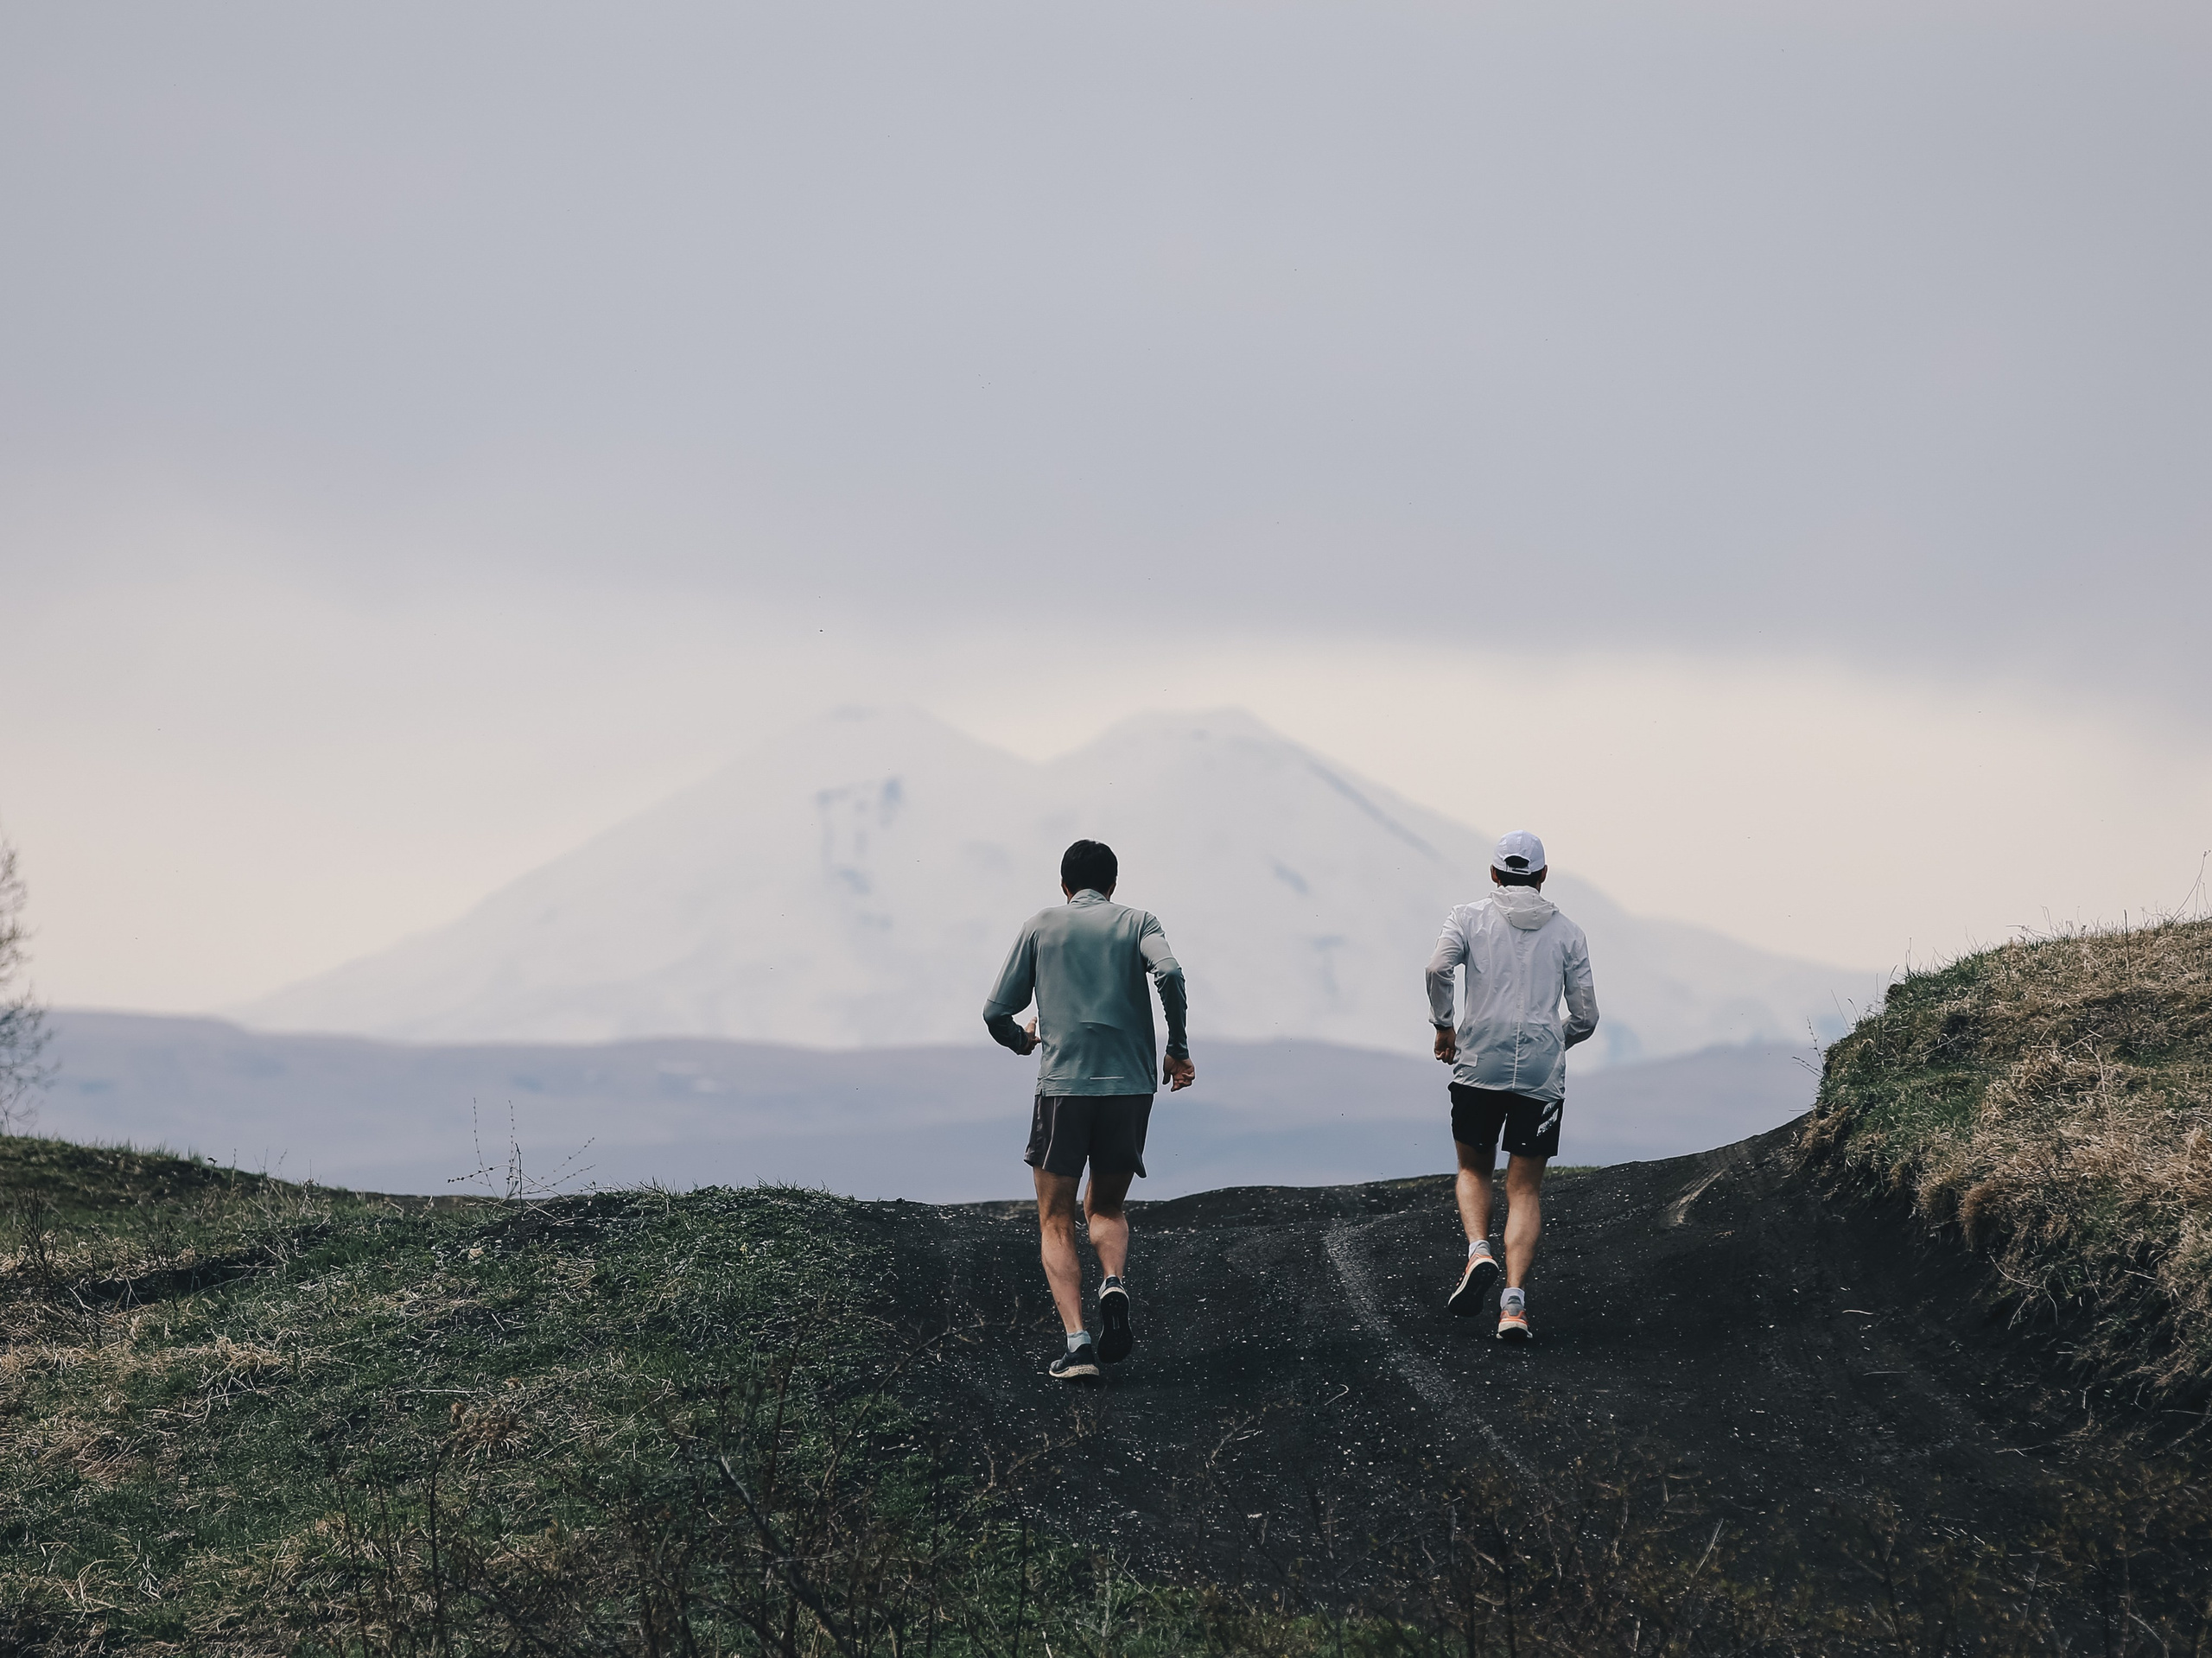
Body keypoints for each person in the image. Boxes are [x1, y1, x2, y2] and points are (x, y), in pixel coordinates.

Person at [984, 839, 1194, 1382]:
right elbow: (1169, 974)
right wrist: (1179, 1048)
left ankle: (1078, 1345)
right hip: (1130, 1087)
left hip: (1064, 1087)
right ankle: (1114, 1283)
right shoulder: (1139, 921)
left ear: (1064, 885)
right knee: (1105, 1208)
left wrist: (1021, 1040)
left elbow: (994, 1011)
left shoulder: (1041, 926)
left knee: (1055, 1218)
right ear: (1114, 885)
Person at [1426, 830, 1599, 1342]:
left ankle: (1478, 1251)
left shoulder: (1467, 916)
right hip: (1542, 1074)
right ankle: (1514, 1306)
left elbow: (1437, 967)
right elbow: (1586, 1016)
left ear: (1494, 874)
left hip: (1479, 1064)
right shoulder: (1569, 932)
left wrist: (1444, 1025)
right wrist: (1551, 1041)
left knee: (1473, 1168)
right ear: (1543, 876)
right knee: (1524, 1188)